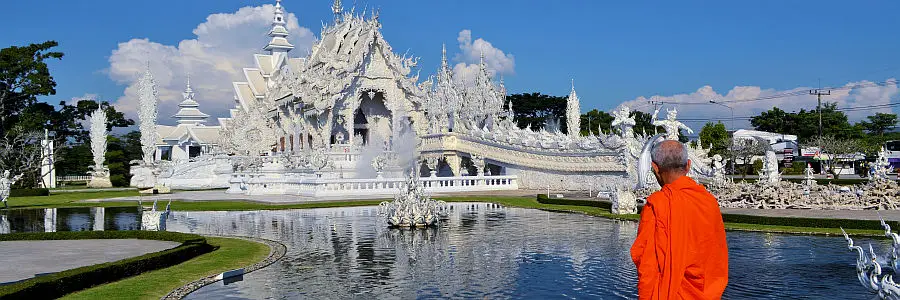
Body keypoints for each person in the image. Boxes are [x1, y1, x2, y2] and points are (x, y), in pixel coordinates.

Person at [630, 140, 729, 299]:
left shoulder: (657, 205)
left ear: (655, 168)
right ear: (688, 165)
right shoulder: (709, 202)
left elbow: (647, 265)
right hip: (708, 293)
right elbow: (717, 258)